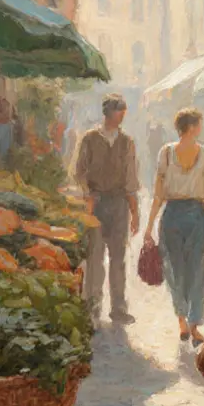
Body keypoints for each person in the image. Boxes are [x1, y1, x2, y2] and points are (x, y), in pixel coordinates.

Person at [143, 108, 204, 344]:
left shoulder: (166, 153)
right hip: (197, 217)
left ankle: (183, 322)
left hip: (172, 216)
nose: (201, 128)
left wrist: (149, 227)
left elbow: (158, 195)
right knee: (197, 270)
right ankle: (194, 325)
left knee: (175, 270)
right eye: (199, 124)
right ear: (192, 127)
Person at [73, 94, 140, 325]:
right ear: (108, 113)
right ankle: (93, 305)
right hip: (97, 202)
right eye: (119, 111)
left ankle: (118, 308)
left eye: (123, 112)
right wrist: (87, 194)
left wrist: (135, 211)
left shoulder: (127, 141)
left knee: (118, 257)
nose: (122, 116)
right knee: (95, 256)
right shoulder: (90, 139)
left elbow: (131, 179)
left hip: (119, 203)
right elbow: (79, 171)